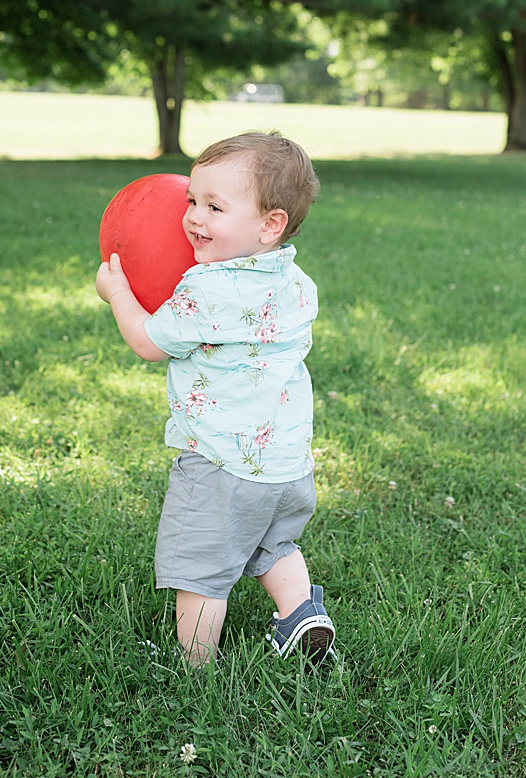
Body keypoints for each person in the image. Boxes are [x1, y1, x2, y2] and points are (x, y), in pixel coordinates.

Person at [95, 131, 336, 666]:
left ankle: (192, 664)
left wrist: (119, 294)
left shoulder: (205, 291)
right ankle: (301, 617)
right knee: (274, 546)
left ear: (270, 224)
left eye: (214, 206)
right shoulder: (296, 281)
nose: (193, 218)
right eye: (191, 200)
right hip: (288, 462)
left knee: (201, 568)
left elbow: (148, 341)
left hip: (221, 463)